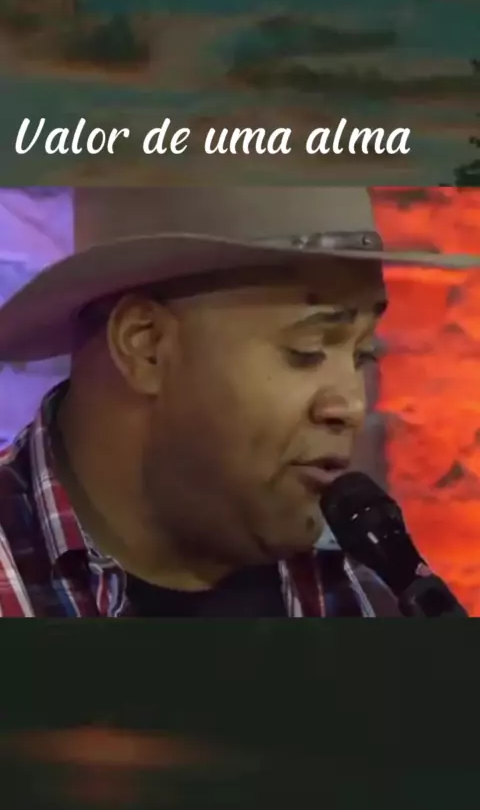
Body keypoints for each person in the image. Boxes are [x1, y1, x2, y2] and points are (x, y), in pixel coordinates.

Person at [0, 187, 470, 618]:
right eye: (306, 351)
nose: (350, 405)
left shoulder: (367, 593)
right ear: (146, 345)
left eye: (362, 354)